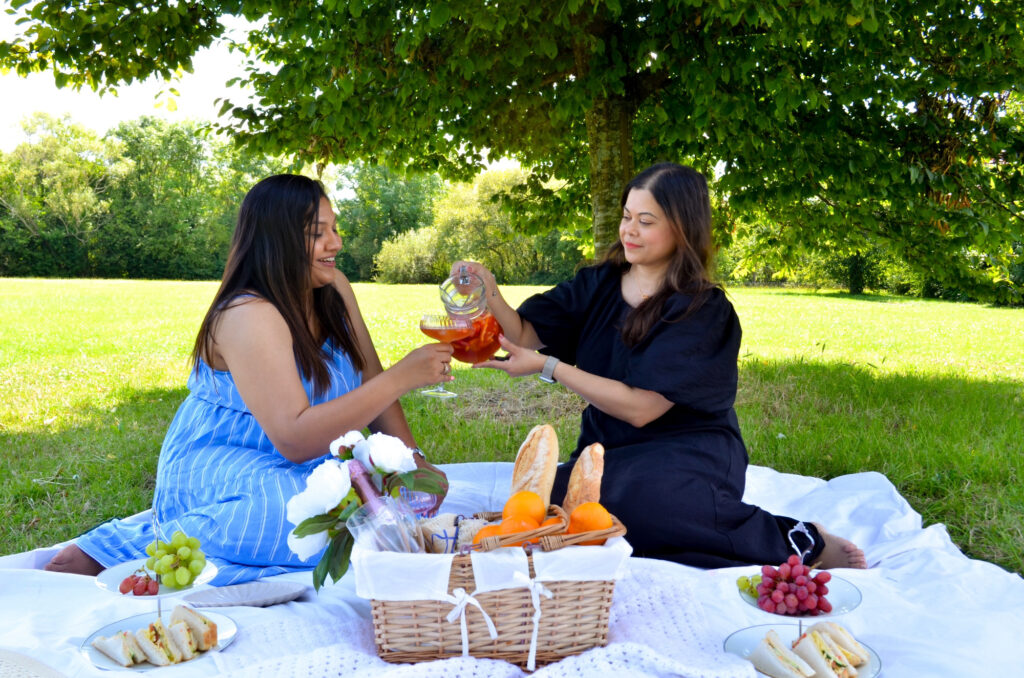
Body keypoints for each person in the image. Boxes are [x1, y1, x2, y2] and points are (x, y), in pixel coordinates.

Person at [45, 174, 455, 583]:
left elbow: (372, 379)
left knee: (372, 510)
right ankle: (128, 545)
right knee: (294, 515)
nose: (336, 244)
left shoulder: (334, 288)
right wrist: (404, 377)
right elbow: (293, 438)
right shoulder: (247, 313)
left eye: (335, 229)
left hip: (313, 463)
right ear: (276, 241)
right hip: (231, 459)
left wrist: (412, 461)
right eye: (318, 234)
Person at [456, 162, 867, 569]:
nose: (629, 231)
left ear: (681, 228)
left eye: (646, 221)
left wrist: (549, 367)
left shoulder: (703, 309)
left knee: (646, 504)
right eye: (626, 217)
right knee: (557, 509)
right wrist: (488, 290)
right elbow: (526, 334)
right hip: (608, 449)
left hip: (688, 451)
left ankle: (800, 539)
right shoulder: (599, 283)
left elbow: (641, 409)